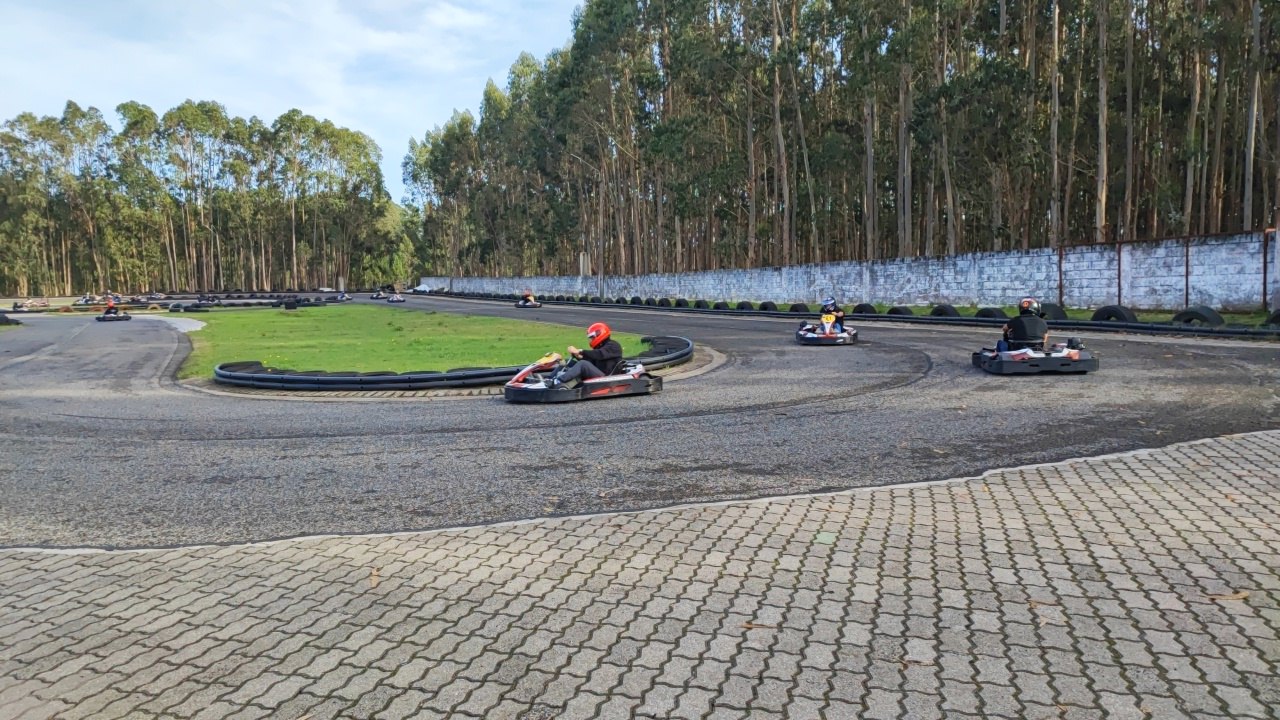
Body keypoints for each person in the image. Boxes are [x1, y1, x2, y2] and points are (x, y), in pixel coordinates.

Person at [548, 322, 623, 387]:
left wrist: (581, 351)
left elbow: (600, 354)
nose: (591, 340)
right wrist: (578, 356)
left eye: (592, 337)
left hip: (606, 376)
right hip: (598, 371)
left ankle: (558, 381)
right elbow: (592, 361)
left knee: (583, 364)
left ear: (599, 333)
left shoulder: (613, 345)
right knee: (569, 362)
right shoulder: (601, 347)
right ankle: (549, 379)